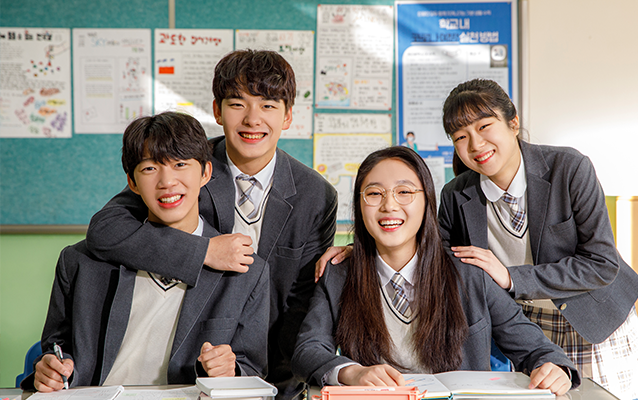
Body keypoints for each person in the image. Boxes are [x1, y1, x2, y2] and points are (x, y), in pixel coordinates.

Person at [85, 50, 337, 399]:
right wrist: (203, 251)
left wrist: (281, 380)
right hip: (190, 364)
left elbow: (302, 302)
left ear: (288, 115)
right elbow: (105, 230)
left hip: (273, 370)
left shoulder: (316, 194)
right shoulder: (185, 167)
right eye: (237, 104)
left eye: (267, 105)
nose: (252, 119)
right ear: (217, 111)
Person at [293, 146, 579, 396]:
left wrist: (554, 368)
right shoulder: (339, 274)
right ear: (359, 204)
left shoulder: (469, 274)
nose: (389, 205)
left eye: (404, 192)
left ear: (427, 202)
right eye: (374, 193)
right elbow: (307, 349)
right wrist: (352, 373)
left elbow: (537, 348)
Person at [22, 112, 269, 392]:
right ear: (132, 183)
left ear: (205, 173)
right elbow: (56, 349)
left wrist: (230, 370)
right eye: (150, 168)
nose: (167, 182)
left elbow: (252, 369)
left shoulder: (245, 273)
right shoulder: (79, 263)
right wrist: (51, 370)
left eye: (180, 164)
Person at [438, 79, 638, 399]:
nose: (476, 144)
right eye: (461, 137)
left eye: (484, 126)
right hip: (527, 332)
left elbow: (602, 265)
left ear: (513, 122)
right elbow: (438, 262)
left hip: (594, 320)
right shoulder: (455, 195)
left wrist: (511, 277)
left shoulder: (568, 168)